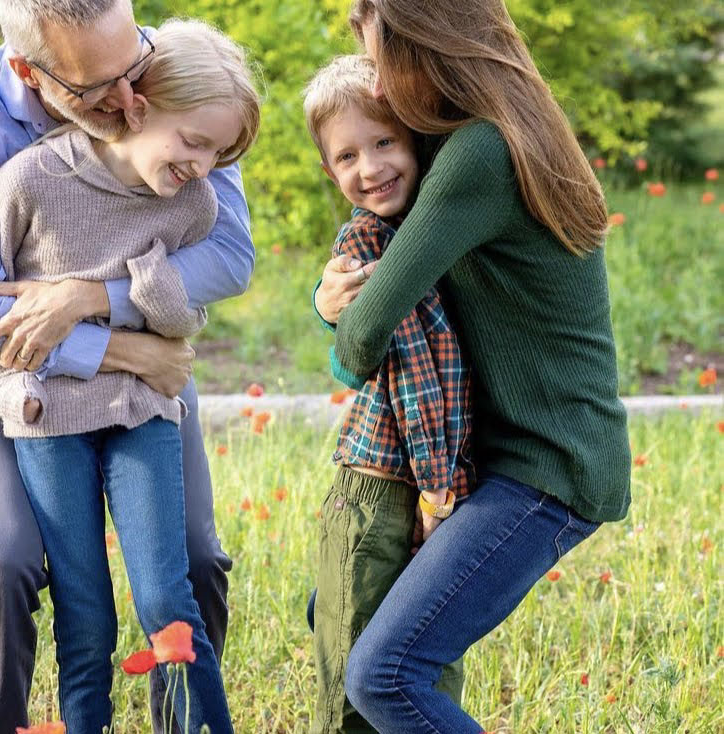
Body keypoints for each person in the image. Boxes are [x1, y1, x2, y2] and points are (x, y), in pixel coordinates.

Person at [0, 1, 253, 731]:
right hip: (8, 353)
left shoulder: (171, 75)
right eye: (96, 89)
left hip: (134, 328)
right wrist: (126, 351)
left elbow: (227, 252)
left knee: (192, 559)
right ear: (28, 72)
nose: (129, 98)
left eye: (133, 67)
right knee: (6, 556)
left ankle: (183, 723)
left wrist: (90, 298)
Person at [312, 1, 632, 731]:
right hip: (517, 457)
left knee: (386, 674)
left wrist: (332, 312)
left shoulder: (477, 157)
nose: (380, 91)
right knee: (339, 611)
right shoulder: (498, 133)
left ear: (426, 46)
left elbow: (362, 339)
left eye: (380, 62)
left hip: (545, 468)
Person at [301, 54, 471, 734]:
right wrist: (437, 491)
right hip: (382, 490)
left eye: (383, 144)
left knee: (423, 665)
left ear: (417, 142)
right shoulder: (369, 246)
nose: (368, 168)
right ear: (328, 173)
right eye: (346, 156)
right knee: (353, 686)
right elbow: (418, 376)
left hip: (428, 483)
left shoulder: (428, 232)